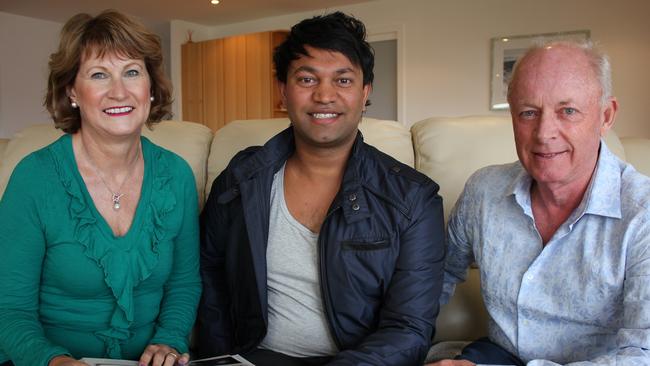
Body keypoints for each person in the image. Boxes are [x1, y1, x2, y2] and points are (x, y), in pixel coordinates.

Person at [197, 11, 445, 366]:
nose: (324, 95)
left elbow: (408, 328)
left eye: (343, 81)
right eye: (307, 79)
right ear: (283, 91)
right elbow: (210, 277)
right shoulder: (241, 178)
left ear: (365, 94)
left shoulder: (413, 199)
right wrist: (220, 359)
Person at [0, 10, 201, 366]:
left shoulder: (177, 175)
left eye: (132, 72)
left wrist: (168, 341)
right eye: (99, 75)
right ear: (72, 92)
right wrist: (54, 361)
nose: (119, 91)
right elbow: (9, 309)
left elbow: (184, 284)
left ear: (151, 88)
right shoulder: (34, 178)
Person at [430, 40, 650, 365]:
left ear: (606, 115)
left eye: (568, 111)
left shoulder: (642, 214)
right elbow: (437, 277)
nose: (544, 133)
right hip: (497, 354)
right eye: (528, 113)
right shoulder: (483, 191)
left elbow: (642, 355)